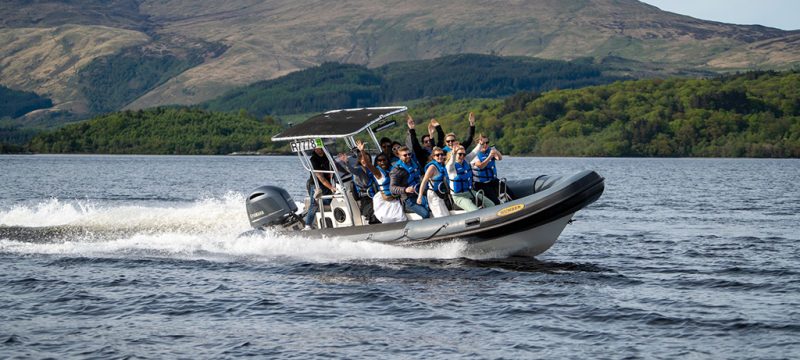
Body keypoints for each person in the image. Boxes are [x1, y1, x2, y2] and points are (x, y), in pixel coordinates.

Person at [357, 140, 406, 223]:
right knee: (395, 218)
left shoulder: (393, 169)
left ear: (388, 161)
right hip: (386, 200)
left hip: (396, 197)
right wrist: (362, 151)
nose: (382, 162)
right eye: (379, 161)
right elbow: (368, 164)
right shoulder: (378, 173)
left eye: (384, 160)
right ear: (377, 163)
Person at [446, 144, 495, 212]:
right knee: (475, 210)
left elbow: (474, 153)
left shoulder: (466, 161)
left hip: (469, 192)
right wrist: (453, 154)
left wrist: (480, 144)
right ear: (455, 154)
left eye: (464, 154)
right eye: (460, 154)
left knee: (491, 204)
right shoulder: (451, 168)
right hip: (459, 196)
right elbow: (451, 162)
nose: (462, 156)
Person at [338, 148, 379, 224]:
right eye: (363, 159)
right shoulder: (359, 170)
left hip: (377, 196)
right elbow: (352, 170)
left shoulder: (374, 169)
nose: (365, 161)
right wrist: (347, 162)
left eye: (367, 159)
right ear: (359, 160)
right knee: (373, 212)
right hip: (366, 198)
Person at [390, 145, 430, 219]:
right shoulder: (396, 171)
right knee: (426, 214)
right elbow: (392, 188)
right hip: (409, 199)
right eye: (405, 155)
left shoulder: (414, 162)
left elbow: (421, 174)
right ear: (399, 156)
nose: (408, 156)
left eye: (409, 154)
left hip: (421, 192)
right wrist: (405, 189)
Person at [471, 134, 510, 204]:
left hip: (492, 180)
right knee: (495, 201)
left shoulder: (489, 151)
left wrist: (495, 151)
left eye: (487, 142)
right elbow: (481, 166)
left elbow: (499, 158)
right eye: (483, 143)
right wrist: (489, 157)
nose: (485, 145)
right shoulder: (474, 154)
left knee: (509, 192)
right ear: (478, 144)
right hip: (481, 184)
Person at [304, 147, 337, 229]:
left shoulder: (328, 156)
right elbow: (320, 177)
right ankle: (307, 225)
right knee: (314, 204)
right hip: (316, 185)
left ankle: (331, 223)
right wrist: (331, 187)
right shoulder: (313, 160)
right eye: (315, 148)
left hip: (328, 184)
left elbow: (335, 168)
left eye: (319, 147)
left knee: (330, 201)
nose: (317, 149)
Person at [417, 147, 450, 218]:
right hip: (433, 195)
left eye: (441, 154)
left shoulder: (442, 165)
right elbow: (424, 182)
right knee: (440, 216)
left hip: (440, 194)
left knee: (446, 215)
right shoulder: (432, 167)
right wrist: (420, 196)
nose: (440, 156)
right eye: (437, 155)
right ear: (433, 157)